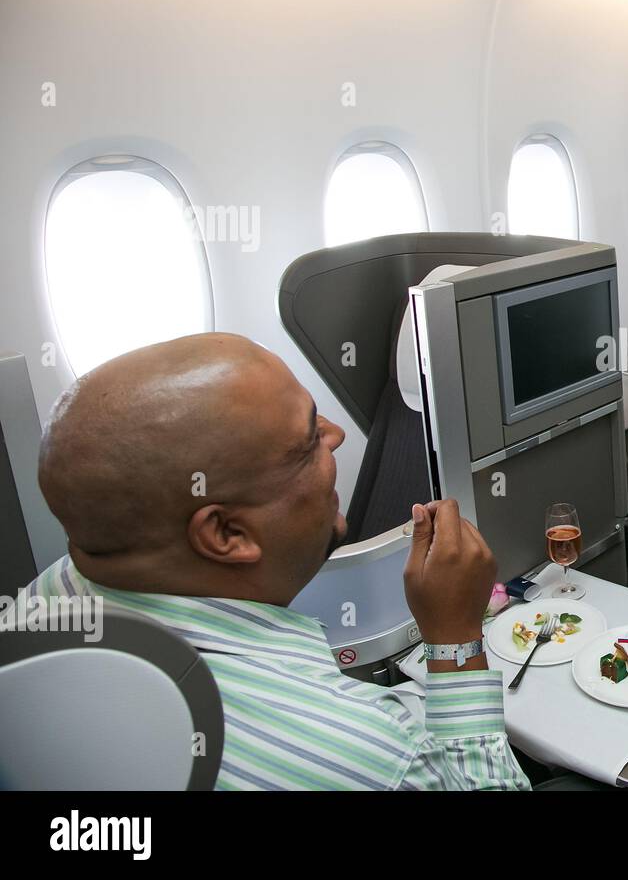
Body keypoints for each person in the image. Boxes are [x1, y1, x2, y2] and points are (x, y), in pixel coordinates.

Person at [23, 332, 529, 790]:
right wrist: (455, 639)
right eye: (308, 441)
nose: (338, 435)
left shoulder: (41, 601)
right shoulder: (369, 754)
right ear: (226, 534)